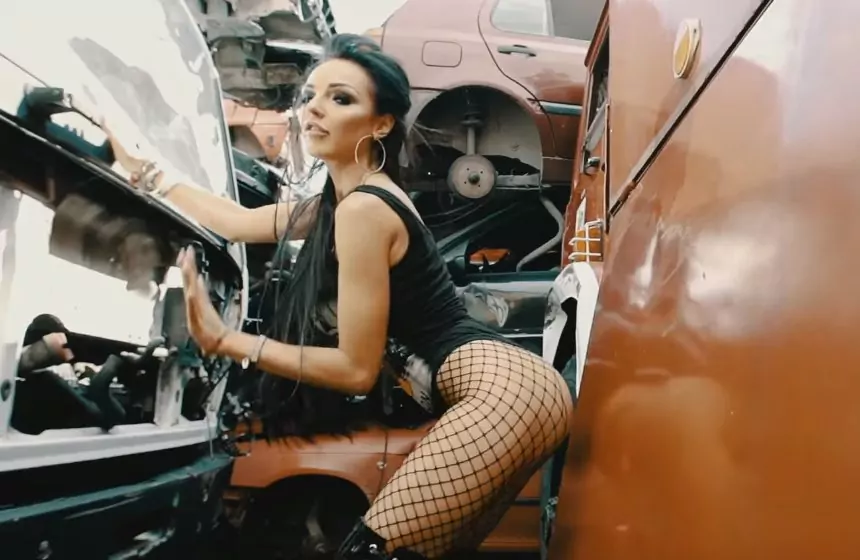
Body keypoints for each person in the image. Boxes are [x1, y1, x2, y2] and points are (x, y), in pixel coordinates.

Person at [105, 33, 573, 560]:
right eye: (311, 96)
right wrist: (142, 170)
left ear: (381, 124)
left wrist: (227, 341)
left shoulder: (364, 211)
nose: (315, 109)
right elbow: (235, 221)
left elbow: (355, 369)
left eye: (341, 98)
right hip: (519, 392)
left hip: (503, 395)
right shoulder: (342, 205)